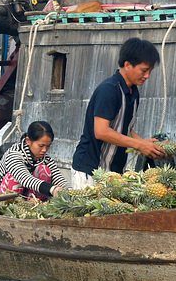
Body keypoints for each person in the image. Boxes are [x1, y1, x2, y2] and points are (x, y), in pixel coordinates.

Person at [71, 38, 167, 188]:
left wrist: (146, 144)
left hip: (113, 173)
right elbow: (101, 131)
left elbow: (124, 126)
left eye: (150, 71)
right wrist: (139, 144)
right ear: (128, 65)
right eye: (144, 70)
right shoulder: (109, 90)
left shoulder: (133, 92)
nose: (147, 76)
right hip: (90, 171)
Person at [0, 121, 68, 199]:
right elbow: (25, 178)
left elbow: (59, 179)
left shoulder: (45, 158)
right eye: (41, 146)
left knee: (44, 170)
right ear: (28, 141)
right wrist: (52, 189)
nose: (44, 150)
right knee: (15, 177)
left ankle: (33, 205)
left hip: (24, 197)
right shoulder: (14, 154)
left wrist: (69, 191)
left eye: (48, 146)